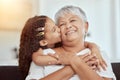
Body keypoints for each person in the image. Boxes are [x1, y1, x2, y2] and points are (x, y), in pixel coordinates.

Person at [25, 5, 116, 80]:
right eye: (62, 24)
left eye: (72, 20)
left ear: (86, 26)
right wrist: (73, 63)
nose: (68, 26)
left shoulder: (97, 54)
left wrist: (76, 62)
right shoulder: (44, 56)